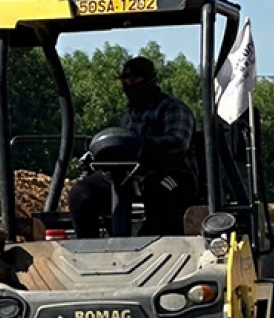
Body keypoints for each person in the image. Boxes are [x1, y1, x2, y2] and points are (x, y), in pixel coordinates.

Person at [69, 56, 198, 237]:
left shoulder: (173, 109)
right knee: (81, 193)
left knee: (158, 190)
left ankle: (153, 242)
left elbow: (178, 144)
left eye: (134, 80)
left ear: (150, 80)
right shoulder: (129, 113)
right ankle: (89, 247)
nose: (129, 85)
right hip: (127, 175)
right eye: (125, 81)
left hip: (171, 173)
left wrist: (140, 146)